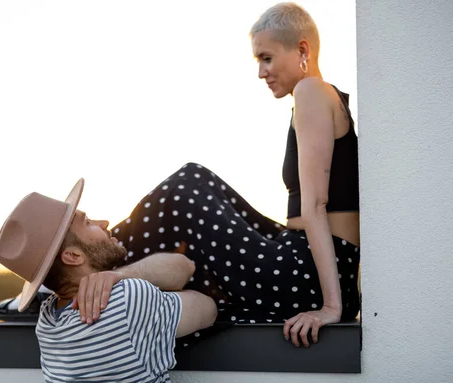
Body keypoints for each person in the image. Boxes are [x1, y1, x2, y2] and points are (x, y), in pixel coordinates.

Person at [95, 2, 360, 349]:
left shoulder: (311, 92)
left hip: (306, 275)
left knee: (184, 191)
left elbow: (315, 207)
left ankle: (88, 269)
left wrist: (330, 307)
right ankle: (100, 270)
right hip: (307, 262)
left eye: (266, 58)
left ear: (302, 50)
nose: (261, 72)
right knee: (196, 177)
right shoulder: (326, 97)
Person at [0, 178, 217, 383]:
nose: (105, 223)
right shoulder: (126, 300)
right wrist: (125, 275)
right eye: (89, 222)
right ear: (73, 256)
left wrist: (115, 274)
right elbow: (207, 306)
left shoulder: (47, 322)